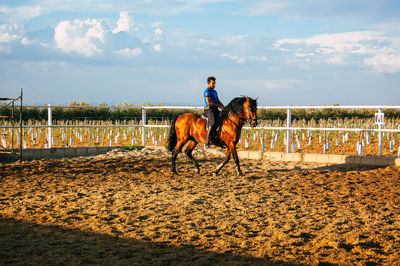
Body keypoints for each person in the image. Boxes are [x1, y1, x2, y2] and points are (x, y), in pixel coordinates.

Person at [204, 76, 224, 147]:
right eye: (213, 83)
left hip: (215, 108)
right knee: (212, 123)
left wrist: (223, 106)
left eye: (215, 83)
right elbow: (209, 102)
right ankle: (207, 141)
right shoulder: (207, 91)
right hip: (209, 109)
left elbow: (218, 101)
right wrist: (218, 105)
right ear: (209, 83)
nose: (214, 85)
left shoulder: (215, 92)